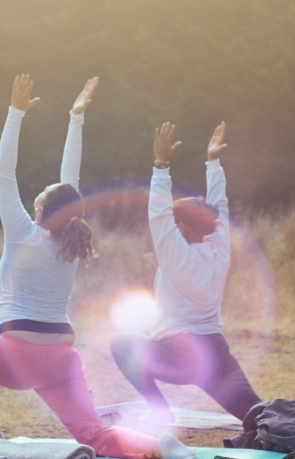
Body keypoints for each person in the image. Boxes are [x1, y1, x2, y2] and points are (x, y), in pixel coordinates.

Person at [0, 75, 197, 459]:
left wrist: (15, 112)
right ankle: (160, 444)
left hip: (14, 355)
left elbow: (4, 171)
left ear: (38, 209)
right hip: (61, 357)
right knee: (93, 433)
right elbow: (72, 183)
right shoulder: (70, 241)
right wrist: (75, 118)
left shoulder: (23, 233)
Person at [111, 121, 262, 424]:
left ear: (180, 227)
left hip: (176, 356)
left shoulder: (175, 255)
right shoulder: (219, 249)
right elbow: (220, 206)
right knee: (260, 415)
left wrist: (161, 164)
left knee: (121, 344)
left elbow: (158, 213)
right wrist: (213, 162)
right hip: (216, 356)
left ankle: (160, 413)